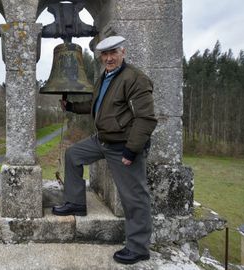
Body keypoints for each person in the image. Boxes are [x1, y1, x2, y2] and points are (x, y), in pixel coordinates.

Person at [52, 36, 157, 265]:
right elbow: (95, 104)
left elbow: (146, 119)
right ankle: (76, 203)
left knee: (134, 196)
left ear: (123, 52)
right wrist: (70, 107)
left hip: (123, 145)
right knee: (73, 155)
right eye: (105, 54)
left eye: (113, 53)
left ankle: (138, 248)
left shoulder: (135, 79)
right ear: (101, 57)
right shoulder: (106, 77)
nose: (109, 58)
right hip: (102, 140)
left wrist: (131, 151)